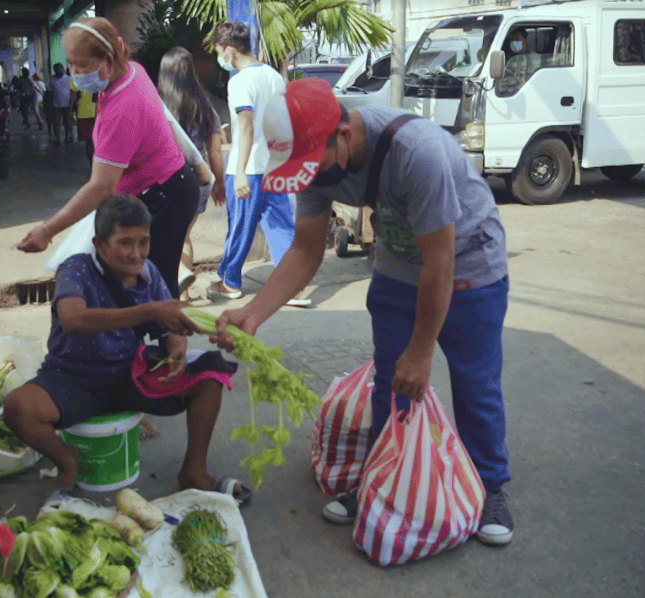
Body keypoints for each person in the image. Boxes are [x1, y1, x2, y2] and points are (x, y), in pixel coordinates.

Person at [209, 79, 515, 546]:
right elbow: (306, 250)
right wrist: (253, 313)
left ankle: (490, 485)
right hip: (397, 266)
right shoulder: (315, 165)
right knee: (390, 385)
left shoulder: (420, 153)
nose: (309, 177)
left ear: (345, 135)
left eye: (314, 165)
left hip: (468, 265)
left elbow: (440, 264)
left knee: (475, 382)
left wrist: (421, 351)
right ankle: (382, 480)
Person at [3, 194, 251, 504]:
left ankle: (194, 472)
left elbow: (167, 328)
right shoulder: (75, 268)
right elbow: (73, 320)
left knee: (210, 375)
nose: (136, 254)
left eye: (143, 242)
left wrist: (176, 346)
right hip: (71, 376)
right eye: (125, 243)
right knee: (17, 408)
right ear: (100, 244)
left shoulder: (150, 274)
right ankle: (67, 462)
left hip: (129, 372)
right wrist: (149, 312)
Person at [17, 17, 201, 299]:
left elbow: (101, 187)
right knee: (138, 285)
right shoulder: (132, 72)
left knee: (151, 292)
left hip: (165, 196)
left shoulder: (123, 107)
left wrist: (47, 230)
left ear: (108, 59)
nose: (74, 72)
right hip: (161, 187)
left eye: (81, 65)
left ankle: (165, 341)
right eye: (71, 64)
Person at [207, 22, 308, 307]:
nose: (219, 57)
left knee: (239, 227)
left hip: (249, 168)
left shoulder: (239, 82)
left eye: (218, 51)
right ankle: (294, 287)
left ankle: (229, 283)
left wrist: (239, 173)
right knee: (280, 226)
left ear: (228, 50)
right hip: (273, 166)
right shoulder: (274, 76)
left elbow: (246, 126)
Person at [157, 46, 226, 300]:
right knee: (183, 234)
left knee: (175, 235)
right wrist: (219, 181)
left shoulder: (157, 104)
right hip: (199, 181)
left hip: (168, 181)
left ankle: (180, 283)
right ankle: (182, 289)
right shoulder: (204, 104)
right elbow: (215, 150)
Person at [48, 63, 75, 144]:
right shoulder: (52, 80)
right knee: (56, 123)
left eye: (60, 69)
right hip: (56, 105)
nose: (58, 71)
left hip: (67, 105)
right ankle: (58, 138)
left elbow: (73, 92)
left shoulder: (69, 79)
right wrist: (50, 104)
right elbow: (50, 92)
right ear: (54, 71)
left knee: (67, 123)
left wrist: (72, 104)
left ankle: (67, 137)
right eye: (56, 70)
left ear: (63, 69)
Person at [72, 80, 97, 166]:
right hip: (98, 112)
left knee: (89, 141)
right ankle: (96, 165)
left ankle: (92, 165)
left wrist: (70, 110)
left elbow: (73, 95)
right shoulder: (101, 73)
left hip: (84, 112)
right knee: (97, 141)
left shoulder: (77, 76)